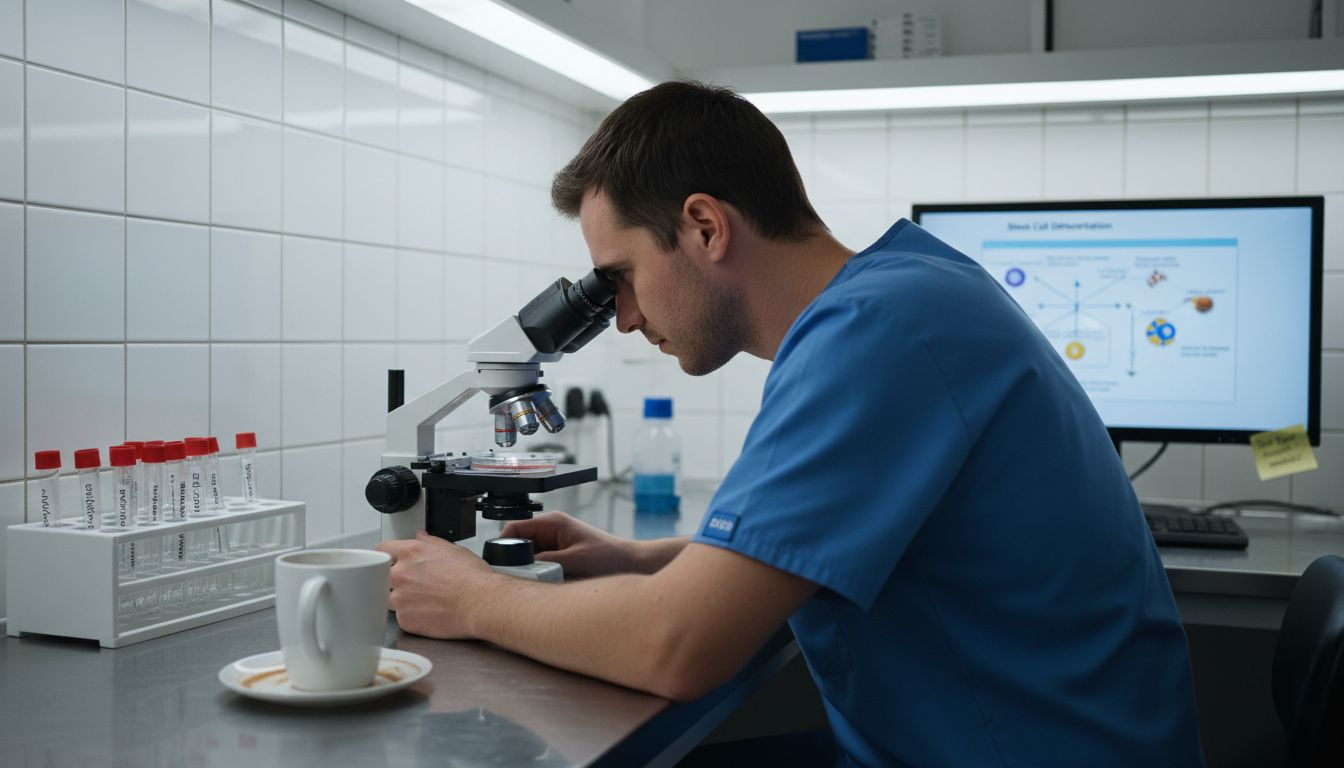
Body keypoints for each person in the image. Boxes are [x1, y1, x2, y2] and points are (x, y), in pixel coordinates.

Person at [377, 81, 1205, 766]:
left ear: (705, 227)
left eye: (620, 277)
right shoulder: (911, 289)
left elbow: (677, 646)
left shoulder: (875, 333)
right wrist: (645, 557)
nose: (621, 318)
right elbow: (851, 546)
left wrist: (473, 598)